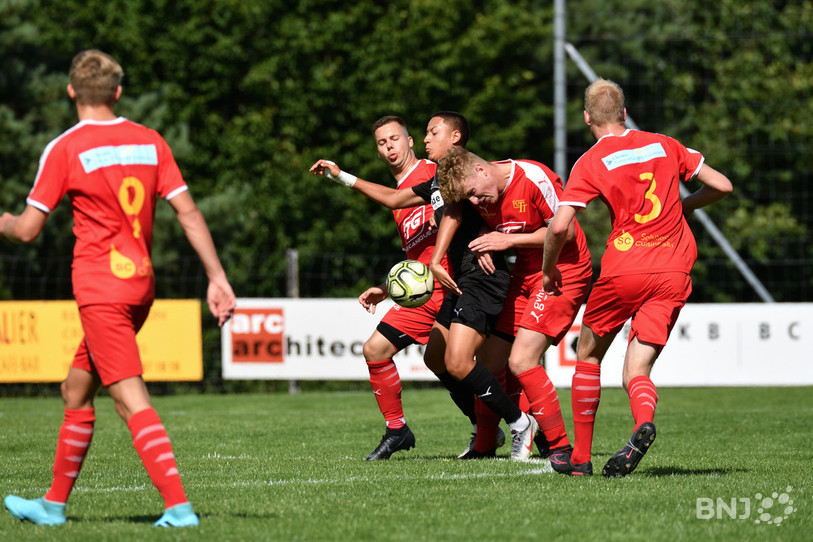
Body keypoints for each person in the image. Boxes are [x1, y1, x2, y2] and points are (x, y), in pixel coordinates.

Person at [1, 50, 236, 526]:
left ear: (71, 92)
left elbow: (27, 230)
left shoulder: (66, 148)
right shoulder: (149, 141)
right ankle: (52, 506)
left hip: (100, 290)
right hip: (140, 286)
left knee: (130, 399)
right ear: (118, 92)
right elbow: (188, 212)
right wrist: (217, 276)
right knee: (75, 390)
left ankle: (178, 507)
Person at [311, 112, 535, 460]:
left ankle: (527, 427)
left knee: (482, 363)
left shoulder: (437, 170)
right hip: (429, 287)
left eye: (395, 139)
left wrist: (488, 237)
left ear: (410, 140)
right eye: (382, 143)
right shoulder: (406, 193)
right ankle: (410, 429)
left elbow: (471, 205)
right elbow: (412, 249)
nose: (389, 147)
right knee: (419, 356)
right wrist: (386, 288)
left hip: (460, 279)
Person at [541, 78, 732, 477]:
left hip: (624, 268)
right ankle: (642, 421)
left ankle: (580, 460)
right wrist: (687, 206)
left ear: (587, 117)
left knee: (589, 355)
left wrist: (547, 270)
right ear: (624, 113)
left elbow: (559, 229)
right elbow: (722, 185)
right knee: (636, 372)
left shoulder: (590, 161)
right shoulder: (665, 144)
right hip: (674, 269)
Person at [436, 147, 593, 463]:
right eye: (470, 201)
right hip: (525, 275)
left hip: (564, 271)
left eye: (475, 195)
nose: (477, 203)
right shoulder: (482, 193)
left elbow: (568, 231)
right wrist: (484, 236)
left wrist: (507, 241)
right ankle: (483, 445)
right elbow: (492, 224)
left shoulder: (534, 177)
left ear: (482, 170)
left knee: (521, 359)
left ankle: (560, 447)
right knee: (490, 359)